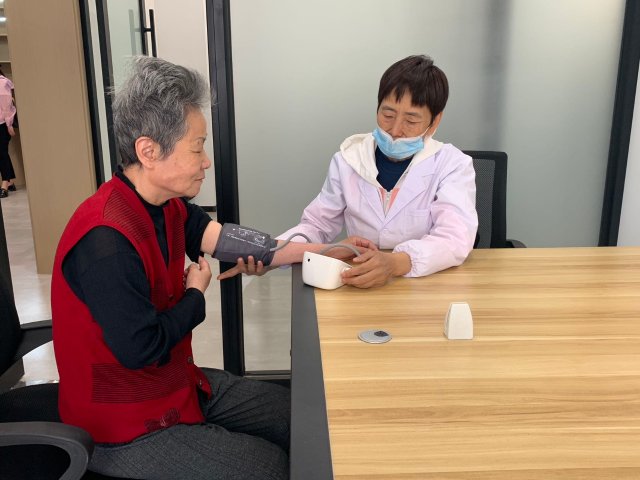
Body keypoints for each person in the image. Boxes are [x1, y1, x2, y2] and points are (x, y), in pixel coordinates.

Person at [51, 56, 370, 480]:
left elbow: (231, 241)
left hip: (176, 385)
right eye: (197, 147)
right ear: (148, 151)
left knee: (300, 419)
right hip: (123, 427)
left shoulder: (169, 206)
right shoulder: (105, 241)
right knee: (270, 468)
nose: (206, 161)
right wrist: (195, 295)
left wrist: (327, 249)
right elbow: (141, 349)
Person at [236, 55, 478, 288]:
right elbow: (317, 225)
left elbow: (455, 238)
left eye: (411, 121)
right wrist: (273, 254)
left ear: (434, 122)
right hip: (359, 278)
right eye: (388, 114)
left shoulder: (452, 165)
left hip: (425, 283)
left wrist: (395, 263)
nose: (395, 130)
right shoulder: (349, 160)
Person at [0, 68, 17, 198]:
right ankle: (10, 182)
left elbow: (7, 106)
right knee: (3, 152)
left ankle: (5, 183)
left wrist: (9, 124)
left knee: (1, 153)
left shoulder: (2, 83)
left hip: (2, 124)